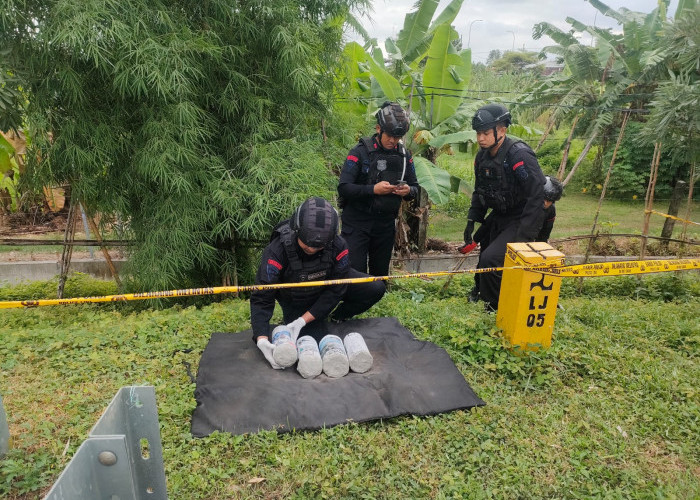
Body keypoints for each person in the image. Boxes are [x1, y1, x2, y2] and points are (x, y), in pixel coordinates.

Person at [251, 197, 386, 369]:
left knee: (375, 288)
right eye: (307, 247)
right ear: (297, 230)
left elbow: (338, 289)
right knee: (310, 344)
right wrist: (261, 338)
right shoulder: (277, 251)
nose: (312, 250)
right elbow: (262, 296)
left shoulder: (338, 245)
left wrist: (304, 320)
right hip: (296, 298)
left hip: (326, 287)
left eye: (319, 247)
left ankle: (337, 316)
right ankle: (308, 320)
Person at [462, 103, 546, 311]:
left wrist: (525, 234)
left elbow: (538, 193)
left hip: (521, 216)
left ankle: (495, 306)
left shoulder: (518, 155)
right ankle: (482, 293)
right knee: (485, 258)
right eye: (477, 133)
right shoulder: (482, 157)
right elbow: (479, 190)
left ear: (501, 130)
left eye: (484, 133)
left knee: (492, 259)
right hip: (499, 214)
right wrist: (472, 221)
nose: (480, 138)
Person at [338, 101, 420, 277]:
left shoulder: (404, 156)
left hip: (385, 224)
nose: (393, 141)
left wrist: (408, 191)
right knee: (355, 274)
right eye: (389, 136)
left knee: (380, 276)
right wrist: (373, 190)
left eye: (397, 137)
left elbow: (415, 187)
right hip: (357, 222)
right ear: (378, 129)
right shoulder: (359, 152)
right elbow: (344, 188)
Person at [537, 175, 563, 242]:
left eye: (549, 201)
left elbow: (545, 234)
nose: (545, 203)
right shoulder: (525, 205)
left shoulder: (551, 211)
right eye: (544, 199)